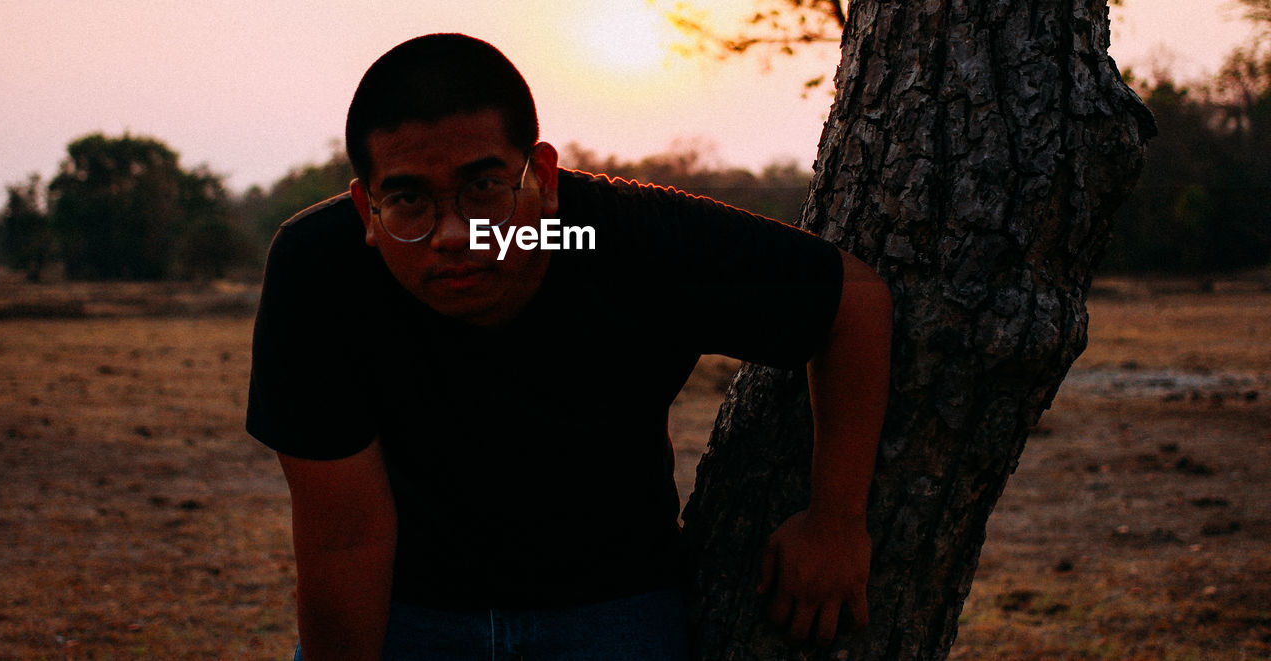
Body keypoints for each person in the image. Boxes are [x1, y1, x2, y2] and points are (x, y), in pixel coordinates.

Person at [246, 33, 892, 660]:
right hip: (411, 610)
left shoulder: (621, 240)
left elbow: (855, 303)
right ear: (366, 209)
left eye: (483, 188)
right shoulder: (322, 270)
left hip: (610, 603)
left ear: (545, 177)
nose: (452, 234)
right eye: (410, 197)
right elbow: (345, 536)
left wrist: (837, 519)